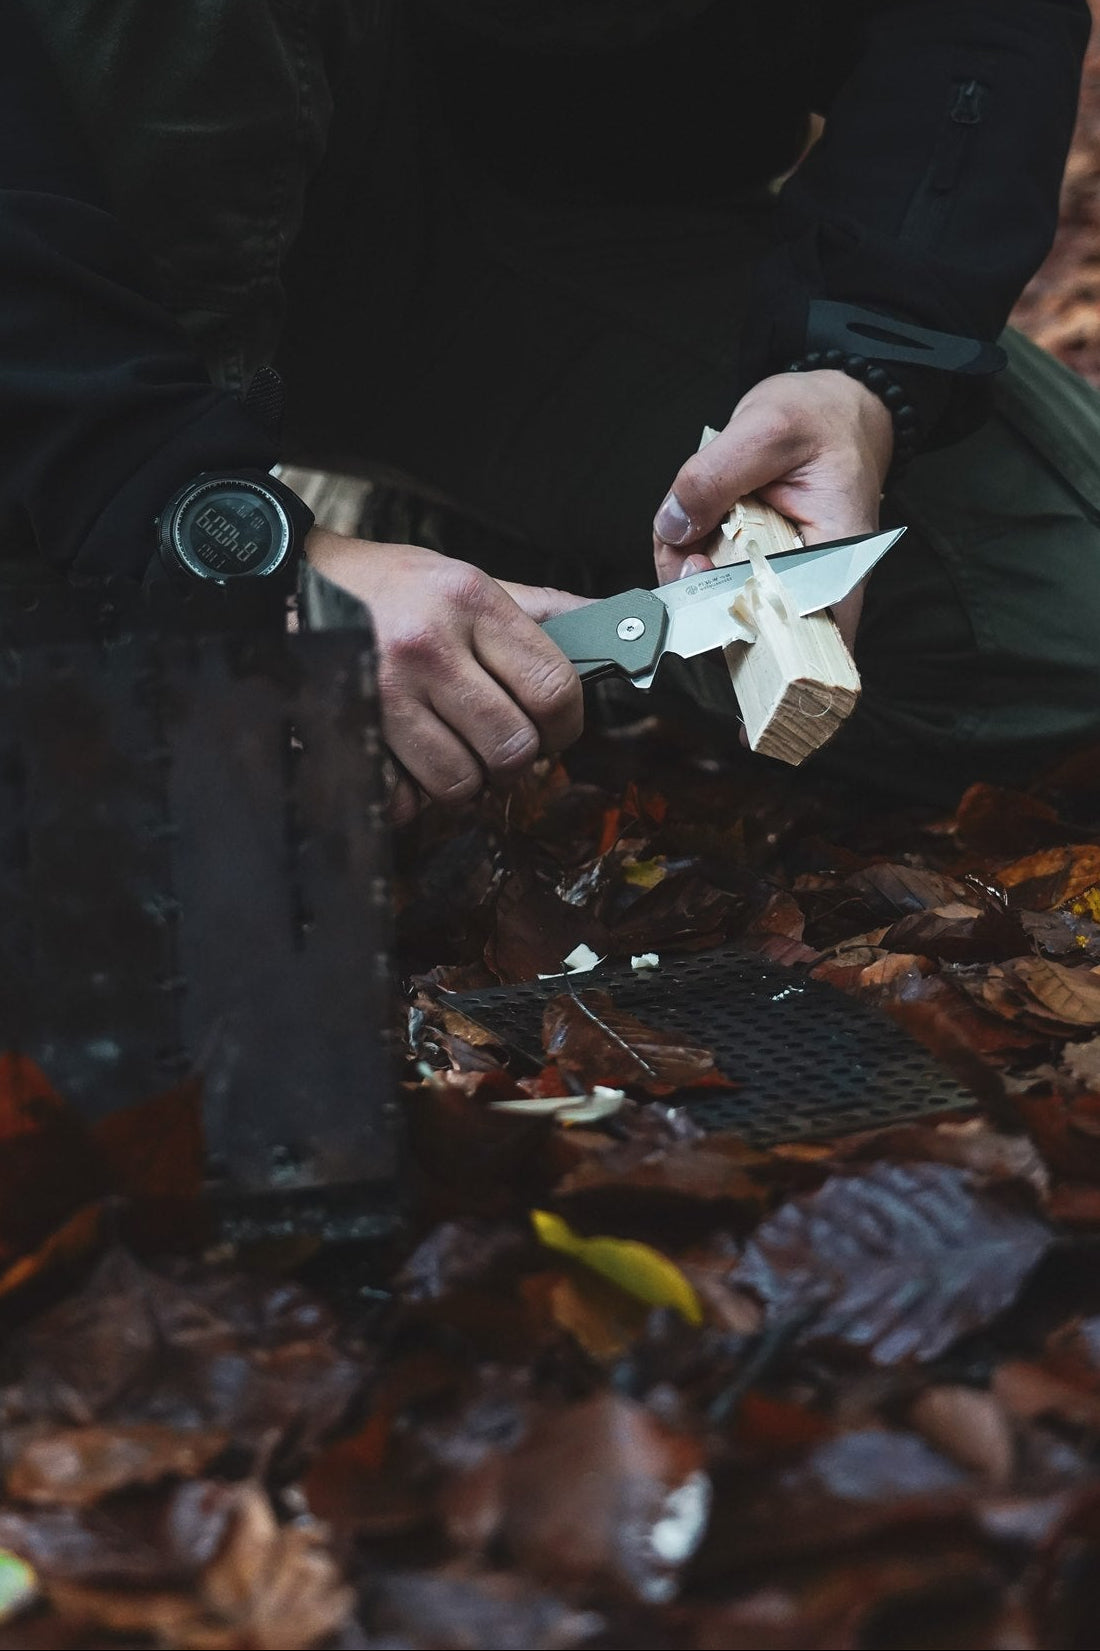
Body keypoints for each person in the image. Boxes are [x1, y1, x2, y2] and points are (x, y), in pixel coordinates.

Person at [6, 1, 1099, 818]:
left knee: (1057, 634)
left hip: (558, 216)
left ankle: (436, 547)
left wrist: (856, 363)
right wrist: (210, 552)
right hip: (93, 264)